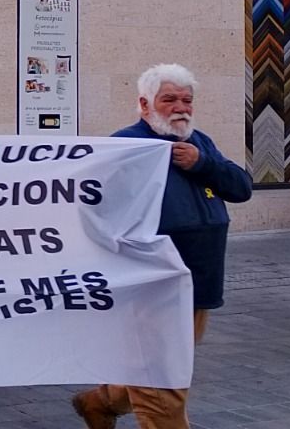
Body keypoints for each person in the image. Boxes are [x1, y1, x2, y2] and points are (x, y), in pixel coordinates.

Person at [72, 64, 252, 429]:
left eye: (187, 100)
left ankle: (101, 402)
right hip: (152, 288)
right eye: (169, 99)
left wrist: (202, 164)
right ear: (145, 104)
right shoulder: (126, 145)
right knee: (163, 381)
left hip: (199, 284)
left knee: (162, 367)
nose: (180, 108)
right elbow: (95, 211)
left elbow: (241, 187)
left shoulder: (200, 143)